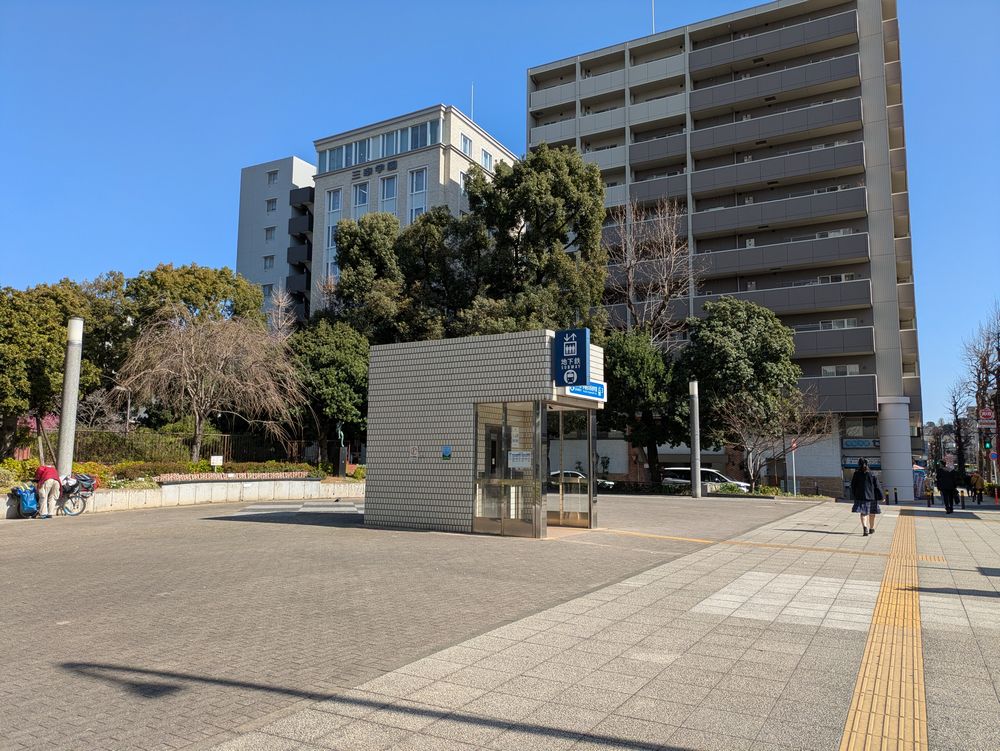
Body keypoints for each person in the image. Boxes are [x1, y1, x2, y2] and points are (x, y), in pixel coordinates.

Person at [850, 458, 882, 536]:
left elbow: (853, 485)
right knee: (872, 513)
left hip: (861, 497)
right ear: (868, 464)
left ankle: (865, 528)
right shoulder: (872, 474)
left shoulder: (856, 474)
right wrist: (881, 496)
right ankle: (871, 528)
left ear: (859, 464)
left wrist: (855, 495)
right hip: (872, 497)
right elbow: (877, 486)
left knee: (863, 513)